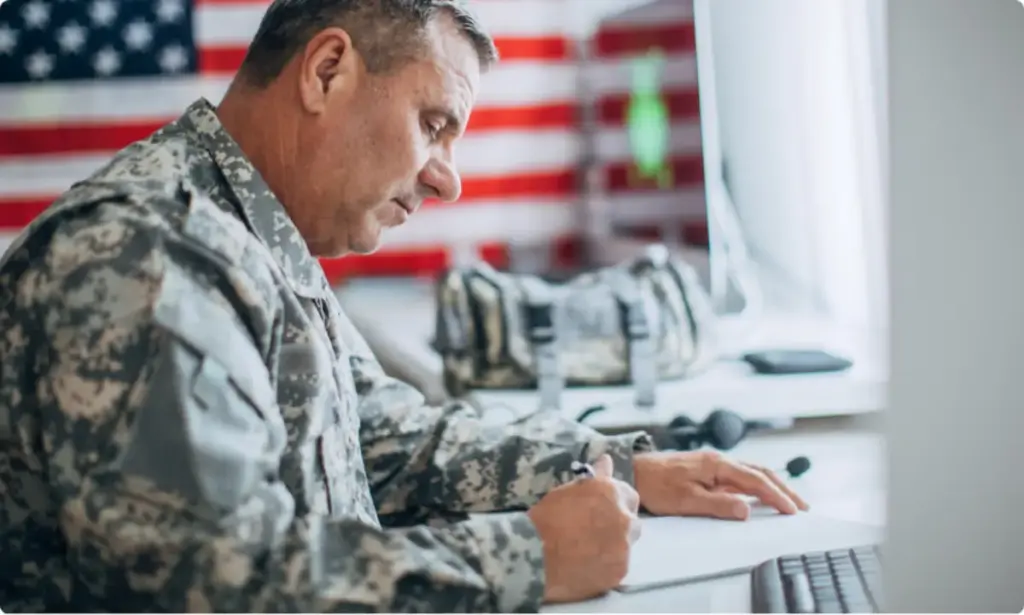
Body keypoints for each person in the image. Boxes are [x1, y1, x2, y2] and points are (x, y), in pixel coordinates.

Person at [0, 0, 808, 612]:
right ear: (326, 72)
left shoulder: (247, 233)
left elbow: (386, 441)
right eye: (434, 124)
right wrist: (528, 555)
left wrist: (618, 467)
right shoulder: (151, 255)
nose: (446, 177)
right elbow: (210, 576)